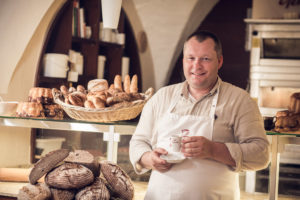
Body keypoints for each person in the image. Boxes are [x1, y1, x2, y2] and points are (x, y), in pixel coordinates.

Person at [129, 30, 270, 200]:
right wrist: (148, 158)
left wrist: (214, 150)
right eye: (191, 58)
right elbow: (138, 142)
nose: (196, 66)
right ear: (183, 61)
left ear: (219, 61)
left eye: (205, 59)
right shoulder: (162, 97)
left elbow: (261, 154)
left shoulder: (239, 100)